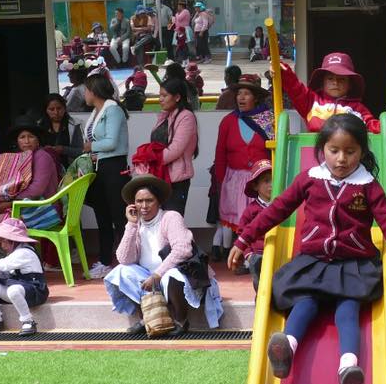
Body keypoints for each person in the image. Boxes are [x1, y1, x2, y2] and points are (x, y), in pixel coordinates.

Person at [228, 112, 386, 384]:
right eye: (334, 150)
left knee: (348, 308)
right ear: (322, 149)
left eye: (350, 152)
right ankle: (286, 347)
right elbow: (276, 209)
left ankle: (348, 368)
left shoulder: (368, 187)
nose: (341, 159)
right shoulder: (310, 179)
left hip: (354, 264)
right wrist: (243, 239)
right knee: (305, 302)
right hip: (314, 262)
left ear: (362, 152)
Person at [105, 175, 223, 337]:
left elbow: (183, 250)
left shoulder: (171, 217)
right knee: (120, 272)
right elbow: (124, 259)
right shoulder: (135, 223)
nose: (144, 206)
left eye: (149, 200)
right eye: (139, 201)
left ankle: (181, 320)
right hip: (150, 278)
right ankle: (147, 318)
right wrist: (131, 224)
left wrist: (157, 274)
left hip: (178, 274)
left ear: (158, 201)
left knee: (172, 275)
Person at [209, 74, 274, 260]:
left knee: (256, 217)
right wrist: (220, 181)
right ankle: (235, 255)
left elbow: (275, 151)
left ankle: (253, 255)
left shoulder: (269, 121)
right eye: (239, 93)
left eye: (246, 93)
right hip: (234, 180)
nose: (241, 98)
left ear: (256, 97)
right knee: (235, 218)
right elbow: (220, 152)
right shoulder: (228, 122)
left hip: (260, 180)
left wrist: (272, 179)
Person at [81, 71, 130, 280]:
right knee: (102, 216)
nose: (84, 94)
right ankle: (104, 260)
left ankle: (126, 260)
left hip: (114, 168)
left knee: (119, 217)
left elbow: (110, 142)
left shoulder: (113, 110)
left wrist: (90, 146)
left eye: (86, 90)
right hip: (99, 168)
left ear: (93, 91)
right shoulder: (97, 112)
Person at [0, 121, 58, 223]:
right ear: (17, 141)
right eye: (22, 137)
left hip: (42, 208)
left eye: (31, 137)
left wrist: (11, 202)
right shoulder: (18, 158)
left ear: (38, 140)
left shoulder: (42, 156)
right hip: (22, 204)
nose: (27, 141)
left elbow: (37, 189)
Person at [0, 217, 48, 337]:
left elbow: (3, 265)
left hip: (35, 292)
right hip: (20, 291)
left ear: (13, 240)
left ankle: (28, 321)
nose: (1, 245)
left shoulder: (24, 252)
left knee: (13, 290)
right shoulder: (14, 253)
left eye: (3, 241)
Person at [280, 52, 378, 133]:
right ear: (322, 83)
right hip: (313, 154)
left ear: (350, 85)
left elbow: (373, 125)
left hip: (344, 155)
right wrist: (283, 72)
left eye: (342, 79)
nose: (335, 82)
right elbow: (295, 89)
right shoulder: (311, 101)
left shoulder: (358, 108)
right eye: (330, 78)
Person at [148, 77, 199, 216]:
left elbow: (175, 149)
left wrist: (150, 160)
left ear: (177, 97)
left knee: (172, 222)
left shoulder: (186, 117)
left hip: (176, 181)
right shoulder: (164, 116)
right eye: (160, 95)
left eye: (164, 95)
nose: (160, 99)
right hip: (159, 177)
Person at [236, 159, 273, 287]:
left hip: (278, 251)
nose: (271, 185)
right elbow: (242, 232)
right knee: (261, 286)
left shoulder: (281, 207)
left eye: (274, 179)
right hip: (259, 254)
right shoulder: (251, 210)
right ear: (255, 186)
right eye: (266, 181)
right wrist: (249, 255)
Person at [40, 93, 84, 167]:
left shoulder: (74, 125)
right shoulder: (40, 127)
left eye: (59, 108)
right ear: (46, 110)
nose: (56, 112)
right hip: (47, 168)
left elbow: (82, 151)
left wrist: (63, 149)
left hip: (71, 170)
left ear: (64, 108)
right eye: (51, 109)